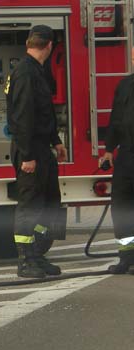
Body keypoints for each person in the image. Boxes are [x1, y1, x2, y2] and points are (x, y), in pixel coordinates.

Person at [5, 25, 67, 279]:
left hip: (42, 148)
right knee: (29, 206)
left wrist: (56, 141)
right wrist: (28, 155)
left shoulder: (37, 71)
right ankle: (25, 260)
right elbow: (21, 119)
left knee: (49, 204)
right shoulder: (25, 73)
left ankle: (38, 255)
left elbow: (43, 112)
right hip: (30, 151)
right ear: (50, 46)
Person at [101, 46, 134, 274]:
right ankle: (126, 257)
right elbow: (115, 118)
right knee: (121, 206)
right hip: (127, 156)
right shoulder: (125, 85)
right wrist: (109, 149)